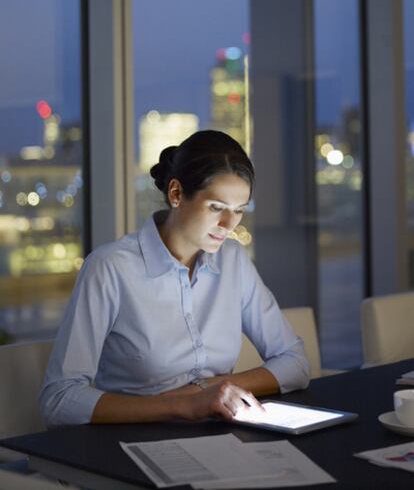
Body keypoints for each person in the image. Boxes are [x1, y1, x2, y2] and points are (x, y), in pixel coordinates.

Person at [39, 130, 310, 427]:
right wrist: (182, 404)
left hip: (216, 435)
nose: (228, 225)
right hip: (130, 440)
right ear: (176, 193)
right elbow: (59, 399)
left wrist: (212, 390)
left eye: (239, 211)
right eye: (216, 208)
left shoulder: (232, 259)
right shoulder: (110, 268)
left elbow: (294, 362)